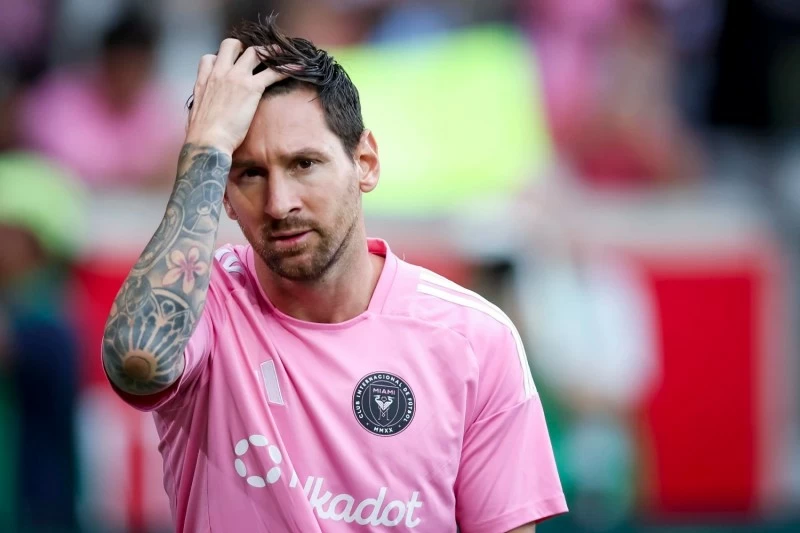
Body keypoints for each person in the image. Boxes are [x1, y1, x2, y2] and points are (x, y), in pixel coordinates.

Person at [101, 16, 567, 532]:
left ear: (365, 161)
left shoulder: (476, 339)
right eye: (249, 174)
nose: (279, 203)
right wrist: (206, 147)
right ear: (223, 195)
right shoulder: (204, 305)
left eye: (304, 164)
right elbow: (137, 361)